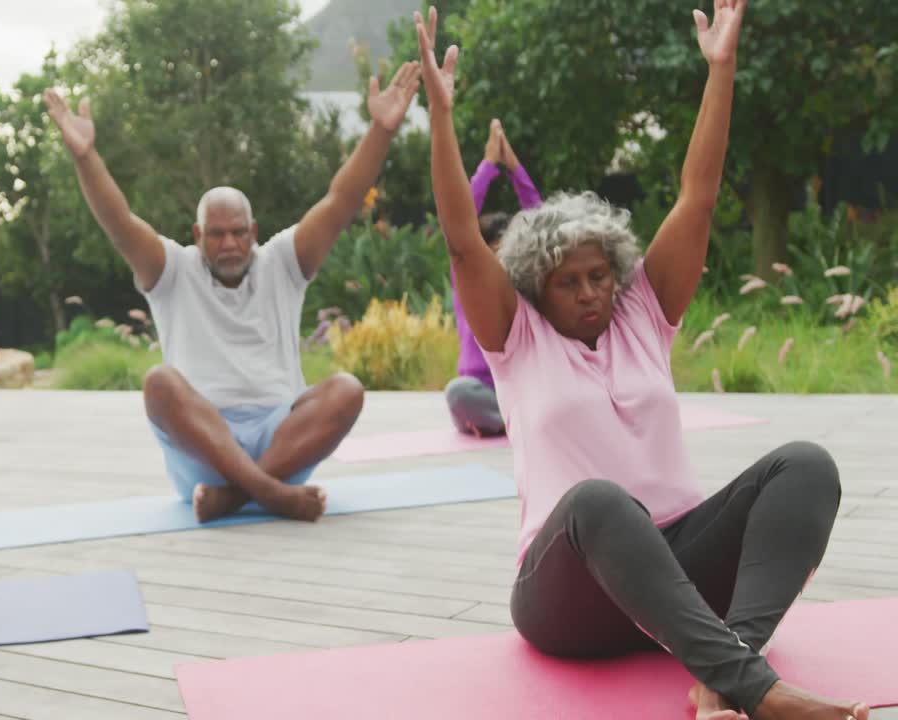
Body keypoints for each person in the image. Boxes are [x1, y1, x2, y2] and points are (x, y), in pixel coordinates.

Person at [416, 3, 869, 719]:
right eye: (569, 281)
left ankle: (726, 674)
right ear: (538, 286)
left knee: (805, 464)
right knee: (599, 500)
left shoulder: (642, 313)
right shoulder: (517, 335)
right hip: (569, 596)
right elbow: (463, 240)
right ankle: (759, 691)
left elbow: (699, 194)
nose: (591, 292)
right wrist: (442, 118)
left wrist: (720, 69)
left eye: (600, 275)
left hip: (678, 581)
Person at [45, 63, 422, 523]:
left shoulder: (282, 261)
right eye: (217, 234)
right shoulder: (173, 270)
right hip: (203, 444)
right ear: (197, 234)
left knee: (346, 389)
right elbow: (119, 223)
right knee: (159, 382)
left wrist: (382, 130)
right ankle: (267, 492)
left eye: (238, 233)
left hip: (284, 441)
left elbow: (341, 201)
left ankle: (235, 497)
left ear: (254, 231)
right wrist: (86, 156)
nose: (229, 244)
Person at [445, 119, 541, 436]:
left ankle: (519, 419)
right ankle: (514, 422)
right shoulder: (466, 278)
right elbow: (460, 218)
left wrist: (514, 166)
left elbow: (541, 224)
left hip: (522, 388)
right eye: (491, 250)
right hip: (483, 392)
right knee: (459, 392)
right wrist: (488, 164)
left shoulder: (523, 280)